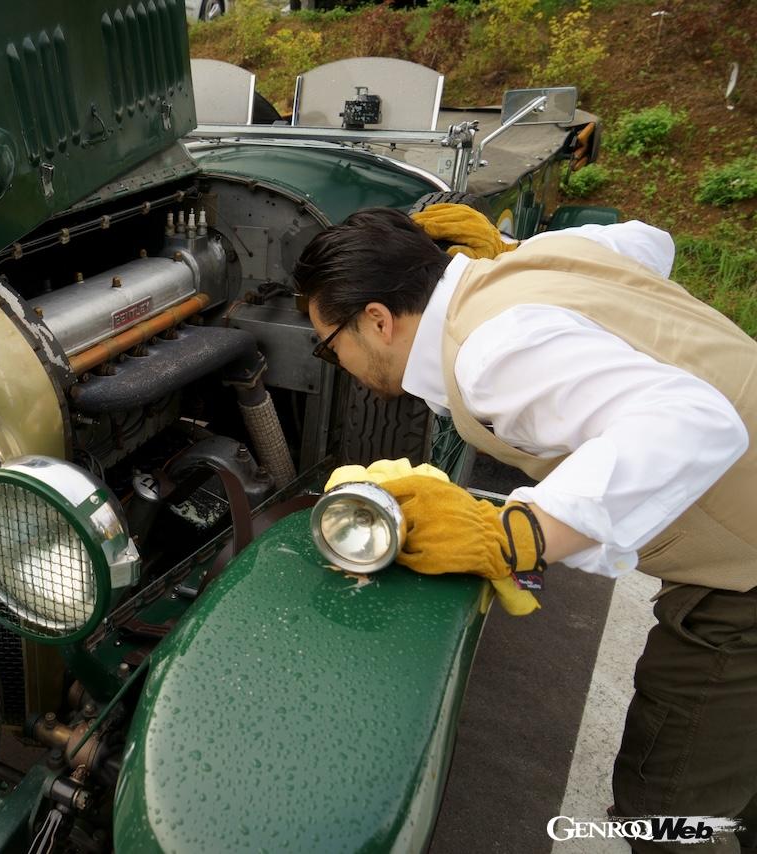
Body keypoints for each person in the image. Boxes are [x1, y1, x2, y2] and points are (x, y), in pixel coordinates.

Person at [292, 204, 757, 852]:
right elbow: (651, 241)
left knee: (670, 811)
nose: (335, 360)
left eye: (328, 343)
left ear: (376, 320)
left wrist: (520, 534)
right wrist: (515, 249)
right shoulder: (526, 263)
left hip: (744, 581)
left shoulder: (491, 353)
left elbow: (698, 421)